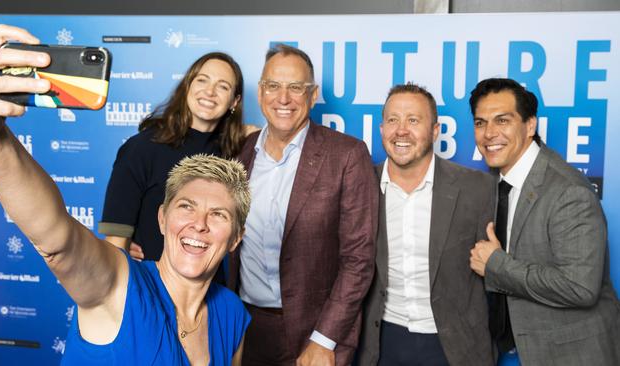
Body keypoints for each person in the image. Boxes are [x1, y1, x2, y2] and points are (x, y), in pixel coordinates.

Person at [0, 25, 250, 366]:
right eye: (186, 206)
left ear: (237, 237)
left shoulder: (231, 313)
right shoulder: (120, 290)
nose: (199, 224)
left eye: (218, 214)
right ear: (162, 217)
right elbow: (58, 238)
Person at [226, 44, 378, 365]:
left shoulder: (347, 155)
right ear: (260, 91)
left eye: (295, 87)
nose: (283, 98)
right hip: (245, 326)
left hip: (316, 333)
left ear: (312, 95)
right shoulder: (240, 152)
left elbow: (358, 260)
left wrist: (323, 339)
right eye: (273, 86)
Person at [468, 77, 620, 365]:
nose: (489, 133)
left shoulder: (567, 190)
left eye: (502, 120)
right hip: (518, 349)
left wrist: (496, 265)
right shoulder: (493, 183)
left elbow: (580, 287)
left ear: (530, 126)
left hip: (572, 354)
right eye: (480, 123)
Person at [356, 84, 496, 366]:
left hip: (455, 346)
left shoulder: (477, 188)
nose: (401, 130)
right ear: (382, 129)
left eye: (413, 120)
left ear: (434, 131)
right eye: (393, 120)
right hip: (382, 343)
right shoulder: (360, 185)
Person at [99, 50, 254, 261]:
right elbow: (115, 242)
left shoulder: (235, 153)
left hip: (210, 288)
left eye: (223, 86)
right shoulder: (142, 148)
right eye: (202, 80)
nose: (210, 91)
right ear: (187, 87)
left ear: (234, 101)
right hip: (151, 284)